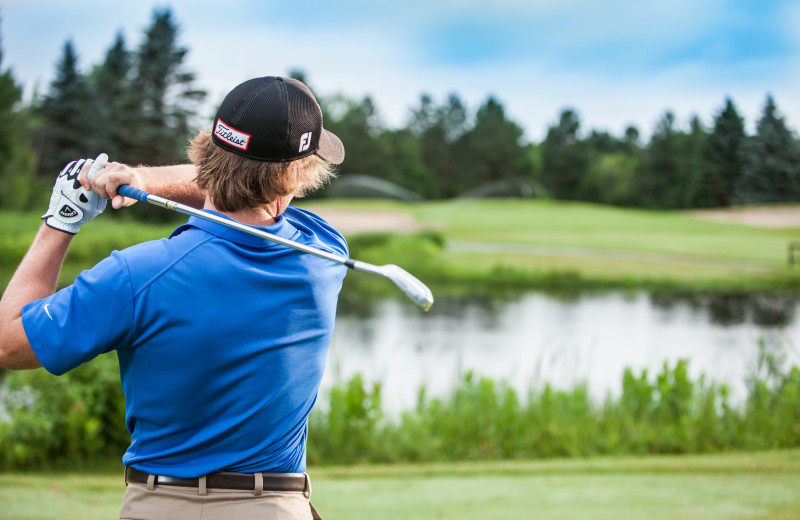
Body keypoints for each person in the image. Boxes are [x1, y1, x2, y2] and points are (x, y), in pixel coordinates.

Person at [0, 76, 347, 520]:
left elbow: (10, 342)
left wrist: (61, 220)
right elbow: (248, 187)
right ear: (296, 178)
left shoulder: (135, 274)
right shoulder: (323, 252)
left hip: (158, 506)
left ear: (208, 150)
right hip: (276, 508)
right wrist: (143, 179)